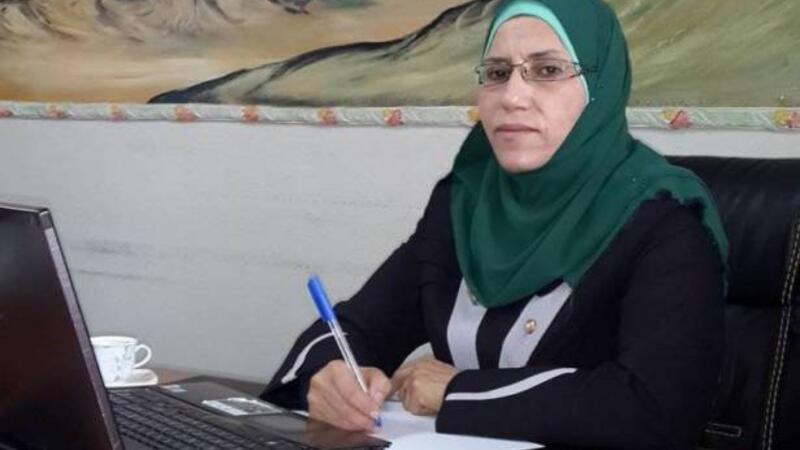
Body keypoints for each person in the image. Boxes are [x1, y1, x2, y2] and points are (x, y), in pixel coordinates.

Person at [261, 0, 728, 448]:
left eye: (548, 71)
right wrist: (326, 376)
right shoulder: (465, 201)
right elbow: (359, 325)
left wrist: (458, 391)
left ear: (600, 87)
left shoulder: (664, 220)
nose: (512, 97)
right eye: (498, 73)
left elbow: (655, 409)